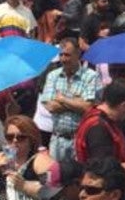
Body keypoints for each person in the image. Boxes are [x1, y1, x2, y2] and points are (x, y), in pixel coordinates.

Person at [39, 37, 101, 165]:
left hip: (79, 139)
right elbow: (50, 106)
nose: (63, 59)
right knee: (55, 180)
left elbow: (88, 108)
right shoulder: (53, 75)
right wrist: (76, 102)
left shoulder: (91, 76)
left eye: (67, 55)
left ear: (78, 54)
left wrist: (62, 99)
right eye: (61, 55)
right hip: (57, 140)